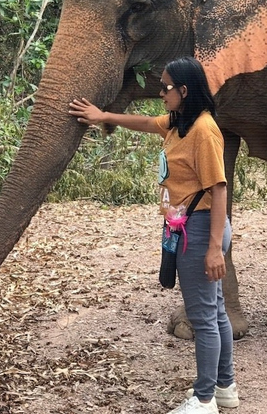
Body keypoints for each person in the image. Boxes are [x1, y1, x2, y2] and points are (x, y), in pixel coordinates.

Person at [68, 56, 240, 414]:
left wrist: (213, 250)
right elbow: (146, 122)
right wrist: (104, 116)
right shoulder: (179, 124)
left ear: (184, 90)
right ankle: (225, 388)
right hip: (191, 227)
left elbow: (219, 188)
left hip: (201, 228)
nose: (160, 93)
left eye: (165, 87)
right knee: (216, 311)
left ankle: (204, 399)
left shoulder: (204, 130)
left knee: (203, 317)